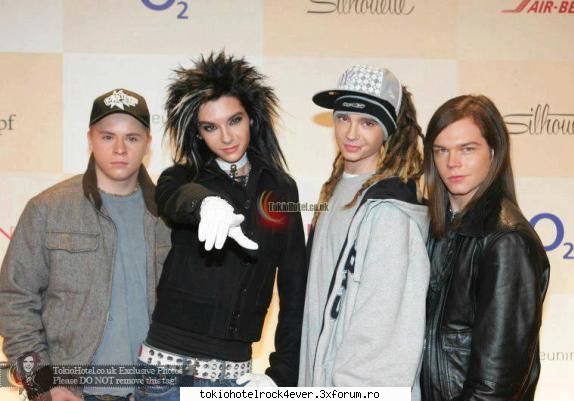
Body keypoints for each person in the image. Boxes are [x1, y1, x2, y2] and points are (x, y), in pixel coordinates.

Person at [134, 52, 307, 400]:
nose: (226, 137)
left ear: (252, 119)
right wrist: (204, 204)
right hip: (164, 372)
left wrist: (282, 373)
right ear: (198, 134)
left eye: (235, 120)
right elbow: (174, 198)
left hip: (232, 376)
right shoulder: (181, 177)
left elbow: (295, 287)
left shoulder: (281, 190)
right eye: (210, 127)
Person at [0, 88, 171, 401]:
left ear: (147, 142)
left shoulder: (169, 216)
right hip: (72, 392)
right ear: (90, 138)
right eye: (108, 137)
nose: (119, 149)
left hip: (155, 391)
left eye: (132, 138)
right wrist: (41, 384)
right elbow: (13, 300)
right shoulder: (47, 209)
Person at [298, 65, 430, 392]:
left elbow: (383, 333)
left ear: (388, 130)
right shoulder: (334, 190)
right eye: (343, 118)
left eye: (367, 122)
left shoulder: (390, 210)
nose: (351, 133)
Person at [420, 95, 550, 401]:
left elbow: (495, 386)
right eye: (441, 150)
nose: (452, 162)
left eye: (467, 149)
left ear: (493, 152)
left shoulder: (507, 241)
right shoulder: (434, 229)